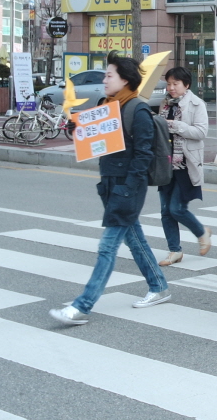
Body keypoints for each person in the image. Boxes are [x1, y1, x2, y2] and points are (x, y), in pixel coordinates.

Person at [50, 54, 170, 325]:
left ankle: (82, 306)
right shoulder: (107, 105)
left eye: (109, 75)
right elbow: (96, 140)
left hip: (127, 186)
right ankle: (159, 286)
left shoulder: (137, 109)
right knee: (134, 239)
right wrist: (77, 127)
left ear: (125, 80)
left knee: (107, 247)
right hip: (109, 182)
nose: (103, 80)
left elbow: (143, 153)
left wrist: (128, 187)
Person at [156, 66, 211, 266]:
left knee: (176, 209)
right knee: (165, 211)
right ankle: (174, 251)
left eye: (175, 84)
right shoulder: (164, 104)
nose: (171, 88)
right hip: (165, 164)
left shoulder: (197, 104)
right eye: (168, 84)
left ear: (186, 85)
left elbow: (201, 132)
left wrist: (176, 126)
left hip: (186, 163)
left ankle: (201, 232)